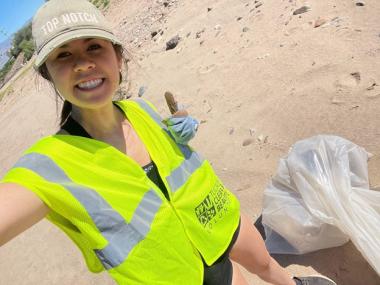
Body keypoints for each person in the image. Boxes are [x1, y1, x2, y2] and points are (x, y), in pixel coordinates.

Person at [0, 1, 337, 285]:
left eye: (93, 47)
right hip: (173, 273)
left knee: (265, 264)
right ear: (49, 75)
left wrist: (179, 126)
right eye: (63, 55)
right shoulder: (50, 165)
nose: (84, 63)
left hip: (215, 217)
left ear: (118, 57)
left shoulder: (139, 108)